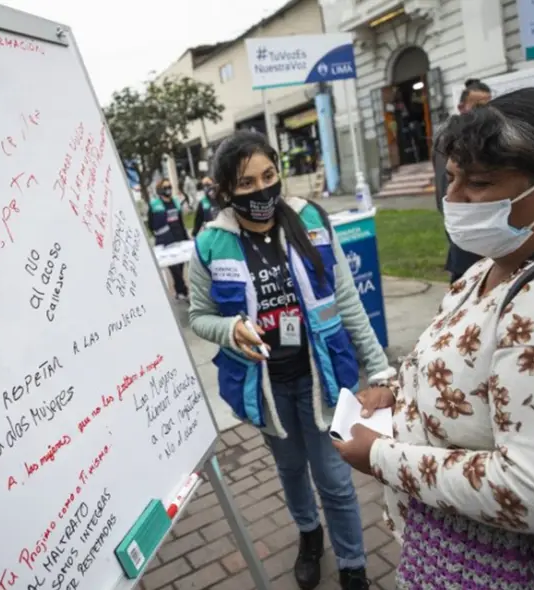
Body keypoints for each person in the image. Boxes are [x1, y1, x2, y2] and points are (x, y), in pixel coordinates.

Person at [333, 87, 534, 589]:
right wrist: (400, 389)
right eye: (451, 178)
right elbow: (465, 356)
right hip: (452, 548)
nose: (453, 200)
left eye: (480, 183)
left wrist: (380, 456)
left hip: (518, 568)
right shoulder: (504, 260)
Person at [188, 130, 395, 590]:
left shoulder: (311, 220)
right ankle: (309, 535)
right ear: (224, 191)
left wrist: (379, 367)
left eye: (268, 175)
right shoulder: (209, 244)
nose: (261, 190)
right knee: (290, 471)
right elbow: (198, 315)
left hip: (322, 377)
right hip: (264, 387)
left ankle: (353, 564)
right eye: (246, 184)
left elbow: (346, 299)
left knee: (335, 478)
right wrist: (228, 329)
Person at [434, 78, 492, 283]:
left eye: (488, 106)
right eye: (477, 106)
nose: (484, 112)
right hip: (467, 248)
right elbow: (446, 192)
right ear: (461, 107)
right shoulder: (449, 139)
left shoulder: (487, 140)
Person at [147, 178, 190, 300]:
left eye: (169, 187)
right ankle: (183, 290)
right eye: (165, 187)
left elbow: (180, 221)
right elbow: (150, 224)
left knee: (180, 266)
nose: (168, 189)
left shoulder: (176, 202)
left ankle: (179, 291)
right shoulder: (154, 205)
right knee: (174, 268)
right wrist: (159, 235)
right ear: (160, 190)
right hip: (165, 241)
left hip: (179, 238)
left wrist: (186, 237)